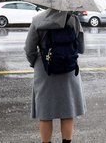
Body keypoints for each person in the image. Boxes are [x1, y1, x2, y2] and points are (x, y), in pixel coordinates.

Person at [24, 8, 86, 143]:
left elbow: (29, 50)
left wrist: (38, 62)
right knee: (68, 111)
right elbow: (81, 48)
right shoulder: (73, 20)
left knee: (45, 113)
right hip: (68, 69)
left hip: (45, 71)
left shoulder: (37, 20)